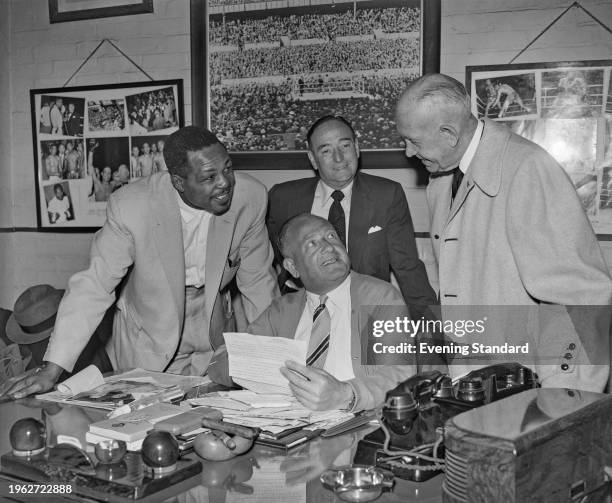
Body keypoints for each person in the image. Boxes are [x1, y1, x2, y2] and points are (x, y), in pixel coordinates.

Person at [2, 126, 278, 399]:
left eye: (228, 168)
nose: (225, 183)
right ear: (179, 182)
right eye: (209, 176)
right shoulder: (132, 206)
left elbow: (258, 282)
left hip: (214, 324)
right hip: (149, 331)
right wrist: (52, 370)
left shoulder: (250, 197)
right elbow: (94, 285)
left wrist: (273, 359)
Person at [395, 73, 612, 392]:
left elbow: (577, 299)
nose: (408, 152)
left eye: (414, 140)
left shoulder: (527, 169)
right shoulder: (442, 181)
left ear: (449, 134)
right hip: (472, 382)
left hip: (528, 389)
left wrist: (564, 399)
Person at [210, 214, 416, 412]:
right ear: (292, 267)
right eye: (312, 243)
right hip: (290, 421)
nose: (328, 247)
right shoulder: (282, 309)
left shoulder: (380, 297)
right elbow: (218, 362)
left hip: (356, 419)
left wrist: (346, 394)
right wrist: (255, 369)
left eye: (331, 236)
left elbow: (400, 375)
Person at [267, 115, 437, 315]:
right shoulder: (282, 198)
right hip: (304, 312)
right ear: (313, 159)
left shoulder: (386, 195)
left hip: (366, 312)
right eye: (326, 150)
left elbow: (408, 269)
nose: (339, 158)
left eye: (345, 146)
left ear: (357, 148)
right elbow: (270, 263)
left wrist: (433, 330)